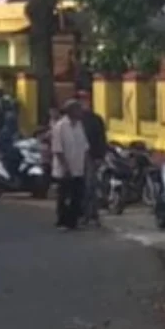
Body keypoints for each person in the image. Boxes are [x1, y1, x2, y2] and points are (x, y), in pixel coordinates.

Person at [52, 99, 89, 231]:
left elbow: (84, 146)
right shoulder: (60, 126)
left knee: (77, 195)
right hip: (65, 168)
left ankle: (73, 221)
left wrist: (84, 164)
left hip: (78, 167)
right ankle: (62, 221)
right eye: (78, 109)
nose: (80, 112)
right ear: (71, 111)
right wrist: (66, 167)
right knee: (64, 196)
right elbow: (58, 149)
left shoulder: (79, 125)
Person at [77, 90, 107, 224]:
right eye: (81, 100)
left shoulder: (96, 119)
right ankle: (85, 213)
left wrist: (101, 155)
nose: (84, 103)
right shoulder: (76, 120)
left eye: (85, 100)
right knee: (81, 186)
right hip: (77, 155)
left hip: (91, 155)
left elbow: (101, 138)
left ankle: (92, 214)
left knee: (91, 186)